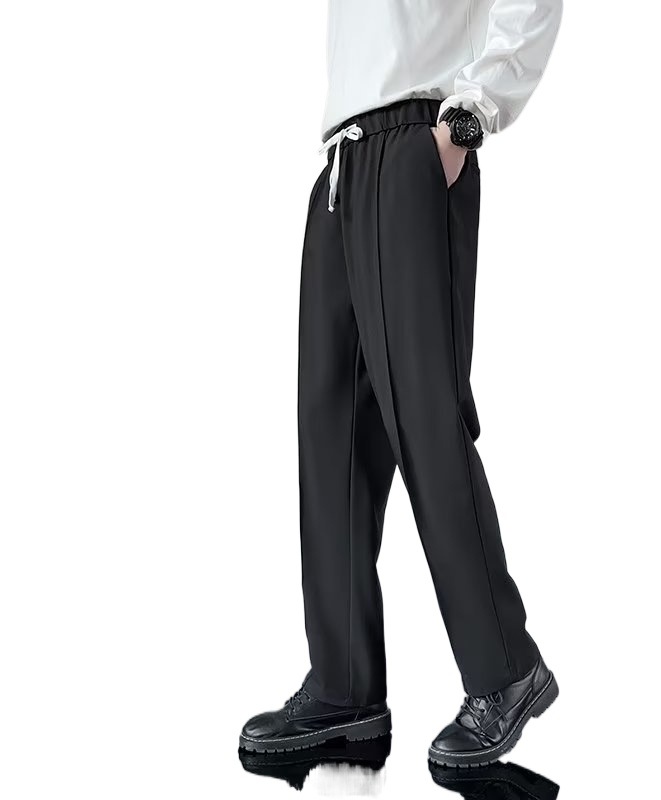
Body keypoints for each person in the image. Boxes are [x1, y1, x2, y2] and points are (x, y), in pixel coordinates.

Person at [240, 0, 563, 768]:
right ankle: (344, 688)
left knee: (424, 418)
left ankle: (505, 670)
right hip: (342, 162)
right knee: (332, 440)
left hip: (417, 140)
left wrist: (469, 117)